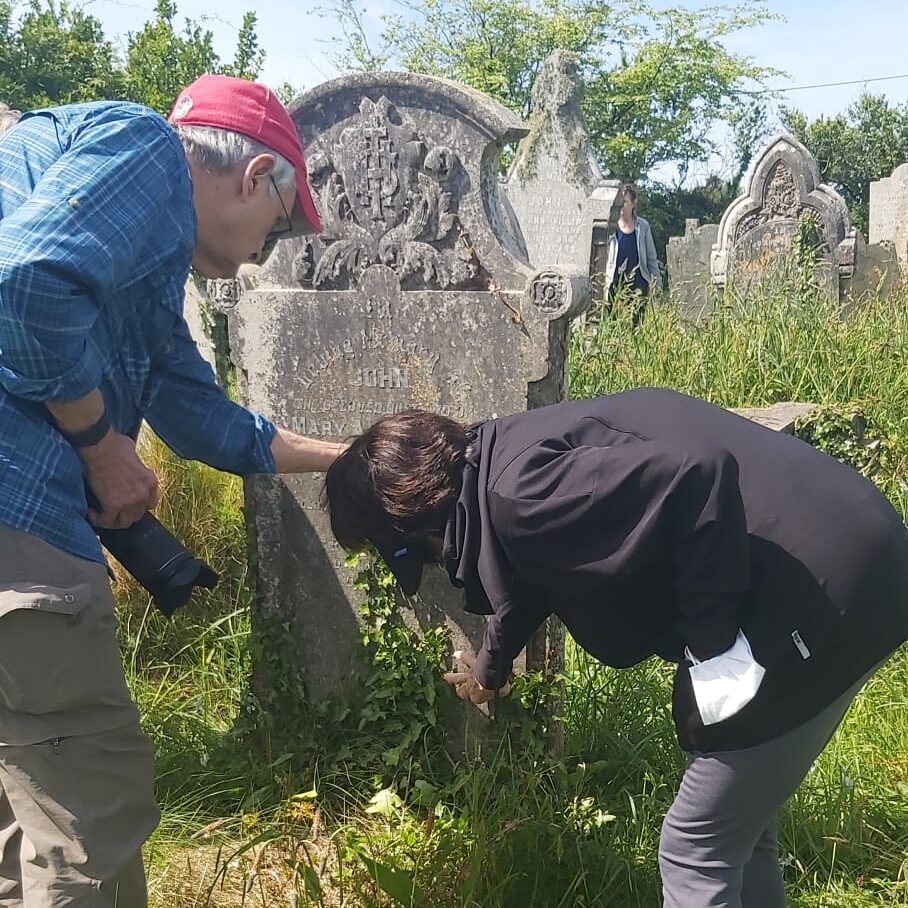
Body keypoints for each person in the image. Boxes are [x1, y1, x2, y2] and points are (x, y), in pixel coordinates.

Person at [324, 388, 908, 908]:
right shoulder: (499, 461)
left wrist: (712, 647)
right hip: (855, 552)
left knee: (693, 852)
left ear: (410, 527)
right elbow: (527, 576)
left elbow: (696, 472)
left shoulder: (520, 495)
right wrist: (490, 668)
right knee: (735, 830)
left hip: (828, 590)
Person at [0, 75, 345, 905]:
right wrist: (98, 444)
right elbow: (23, 288)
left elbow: (207, 421)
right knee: (89, 814)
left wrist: (358, 454)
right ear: (254, 175)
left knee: (23, 801)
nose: (274, 247)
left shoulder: (150, 272)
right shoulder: (149, 150)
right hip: (20, 518)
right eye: (285, 220)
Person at [603, 183, 661, 324]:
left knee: (636, 325)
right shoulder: (610, 227)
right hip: (615, 283)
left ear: (634, 203)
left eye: (625, 202)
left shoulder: (643, 226)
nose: (621, 206)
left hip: (638, 284)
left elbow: (651, 259)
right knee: (612, 323)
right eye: (619, 202)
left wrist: (657, 284)